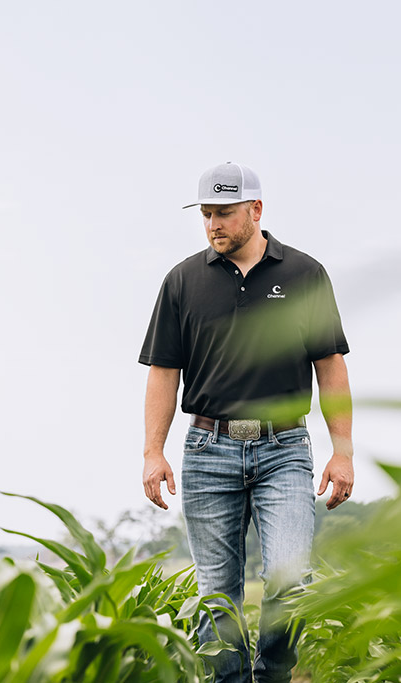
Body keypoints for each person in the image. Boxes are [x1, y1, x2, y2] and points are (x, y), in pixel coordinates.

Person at [139, 161, 353, 683]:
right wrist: (153, 451)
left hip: (284, 449)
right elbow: (164, 373)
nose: (214, 224)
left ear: (255, 211)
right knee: (217, 596)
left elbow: (330, 365)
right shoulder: (182, 281)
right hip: (207, 451)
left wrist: (342, 450)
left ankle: (273, 672)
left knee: (289, 576)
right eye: (207, 214)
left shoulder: (304, 274)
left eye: (225, 213)